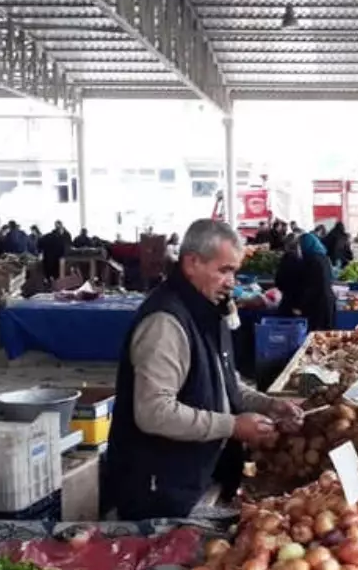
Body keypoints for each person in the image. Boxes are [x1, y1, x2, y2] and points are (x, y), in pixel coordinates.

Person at [109, 219, 303, 519]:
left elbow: (226, 384)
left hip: (196, 477)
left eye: (234, 271)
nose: (231, 282)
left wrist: (269, 405)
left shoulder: (208, 310)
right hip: (159, 489)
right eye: (223, 270)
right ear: (192, 263)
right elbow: (154, 412)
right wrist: (233, 426)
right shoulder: (166, 323)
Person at [277, 232, 336, 331]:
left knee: (315, 336)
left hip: (317, 304)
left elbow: (311, 286)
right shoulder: (323, 257)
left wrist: (301, 305)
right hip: (328, 302)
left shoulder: (310, 260)